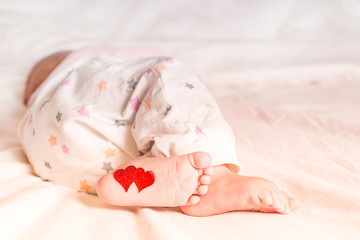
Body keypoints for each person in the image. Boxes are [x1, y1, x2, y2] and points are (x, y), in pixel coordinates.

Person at [19, 46, 299, 217]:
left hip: (44, 146)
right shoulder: (91, 65)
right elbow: (149, 63)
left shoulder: (32, 110)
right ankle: (214, 172)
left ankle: (137, 177)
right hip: (77, 103)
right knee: (167, 72)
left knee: (119, 147)